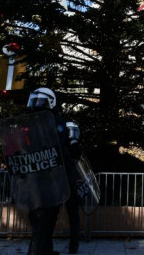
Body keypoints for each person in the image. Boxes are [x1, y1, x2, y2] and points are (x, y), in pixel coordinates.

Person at [25, 87, 83, 254]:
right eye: (35, 100)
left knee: (48, 215)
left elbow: (66, 148)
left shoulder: (57, 121)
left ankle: (45, 250)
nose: (37, 105)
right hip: (40, 176)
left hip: (58, 176)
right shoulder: (32, 122)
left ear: (51, 102)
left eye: (41, 101)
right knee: (39, 216)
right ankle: (45, 249)